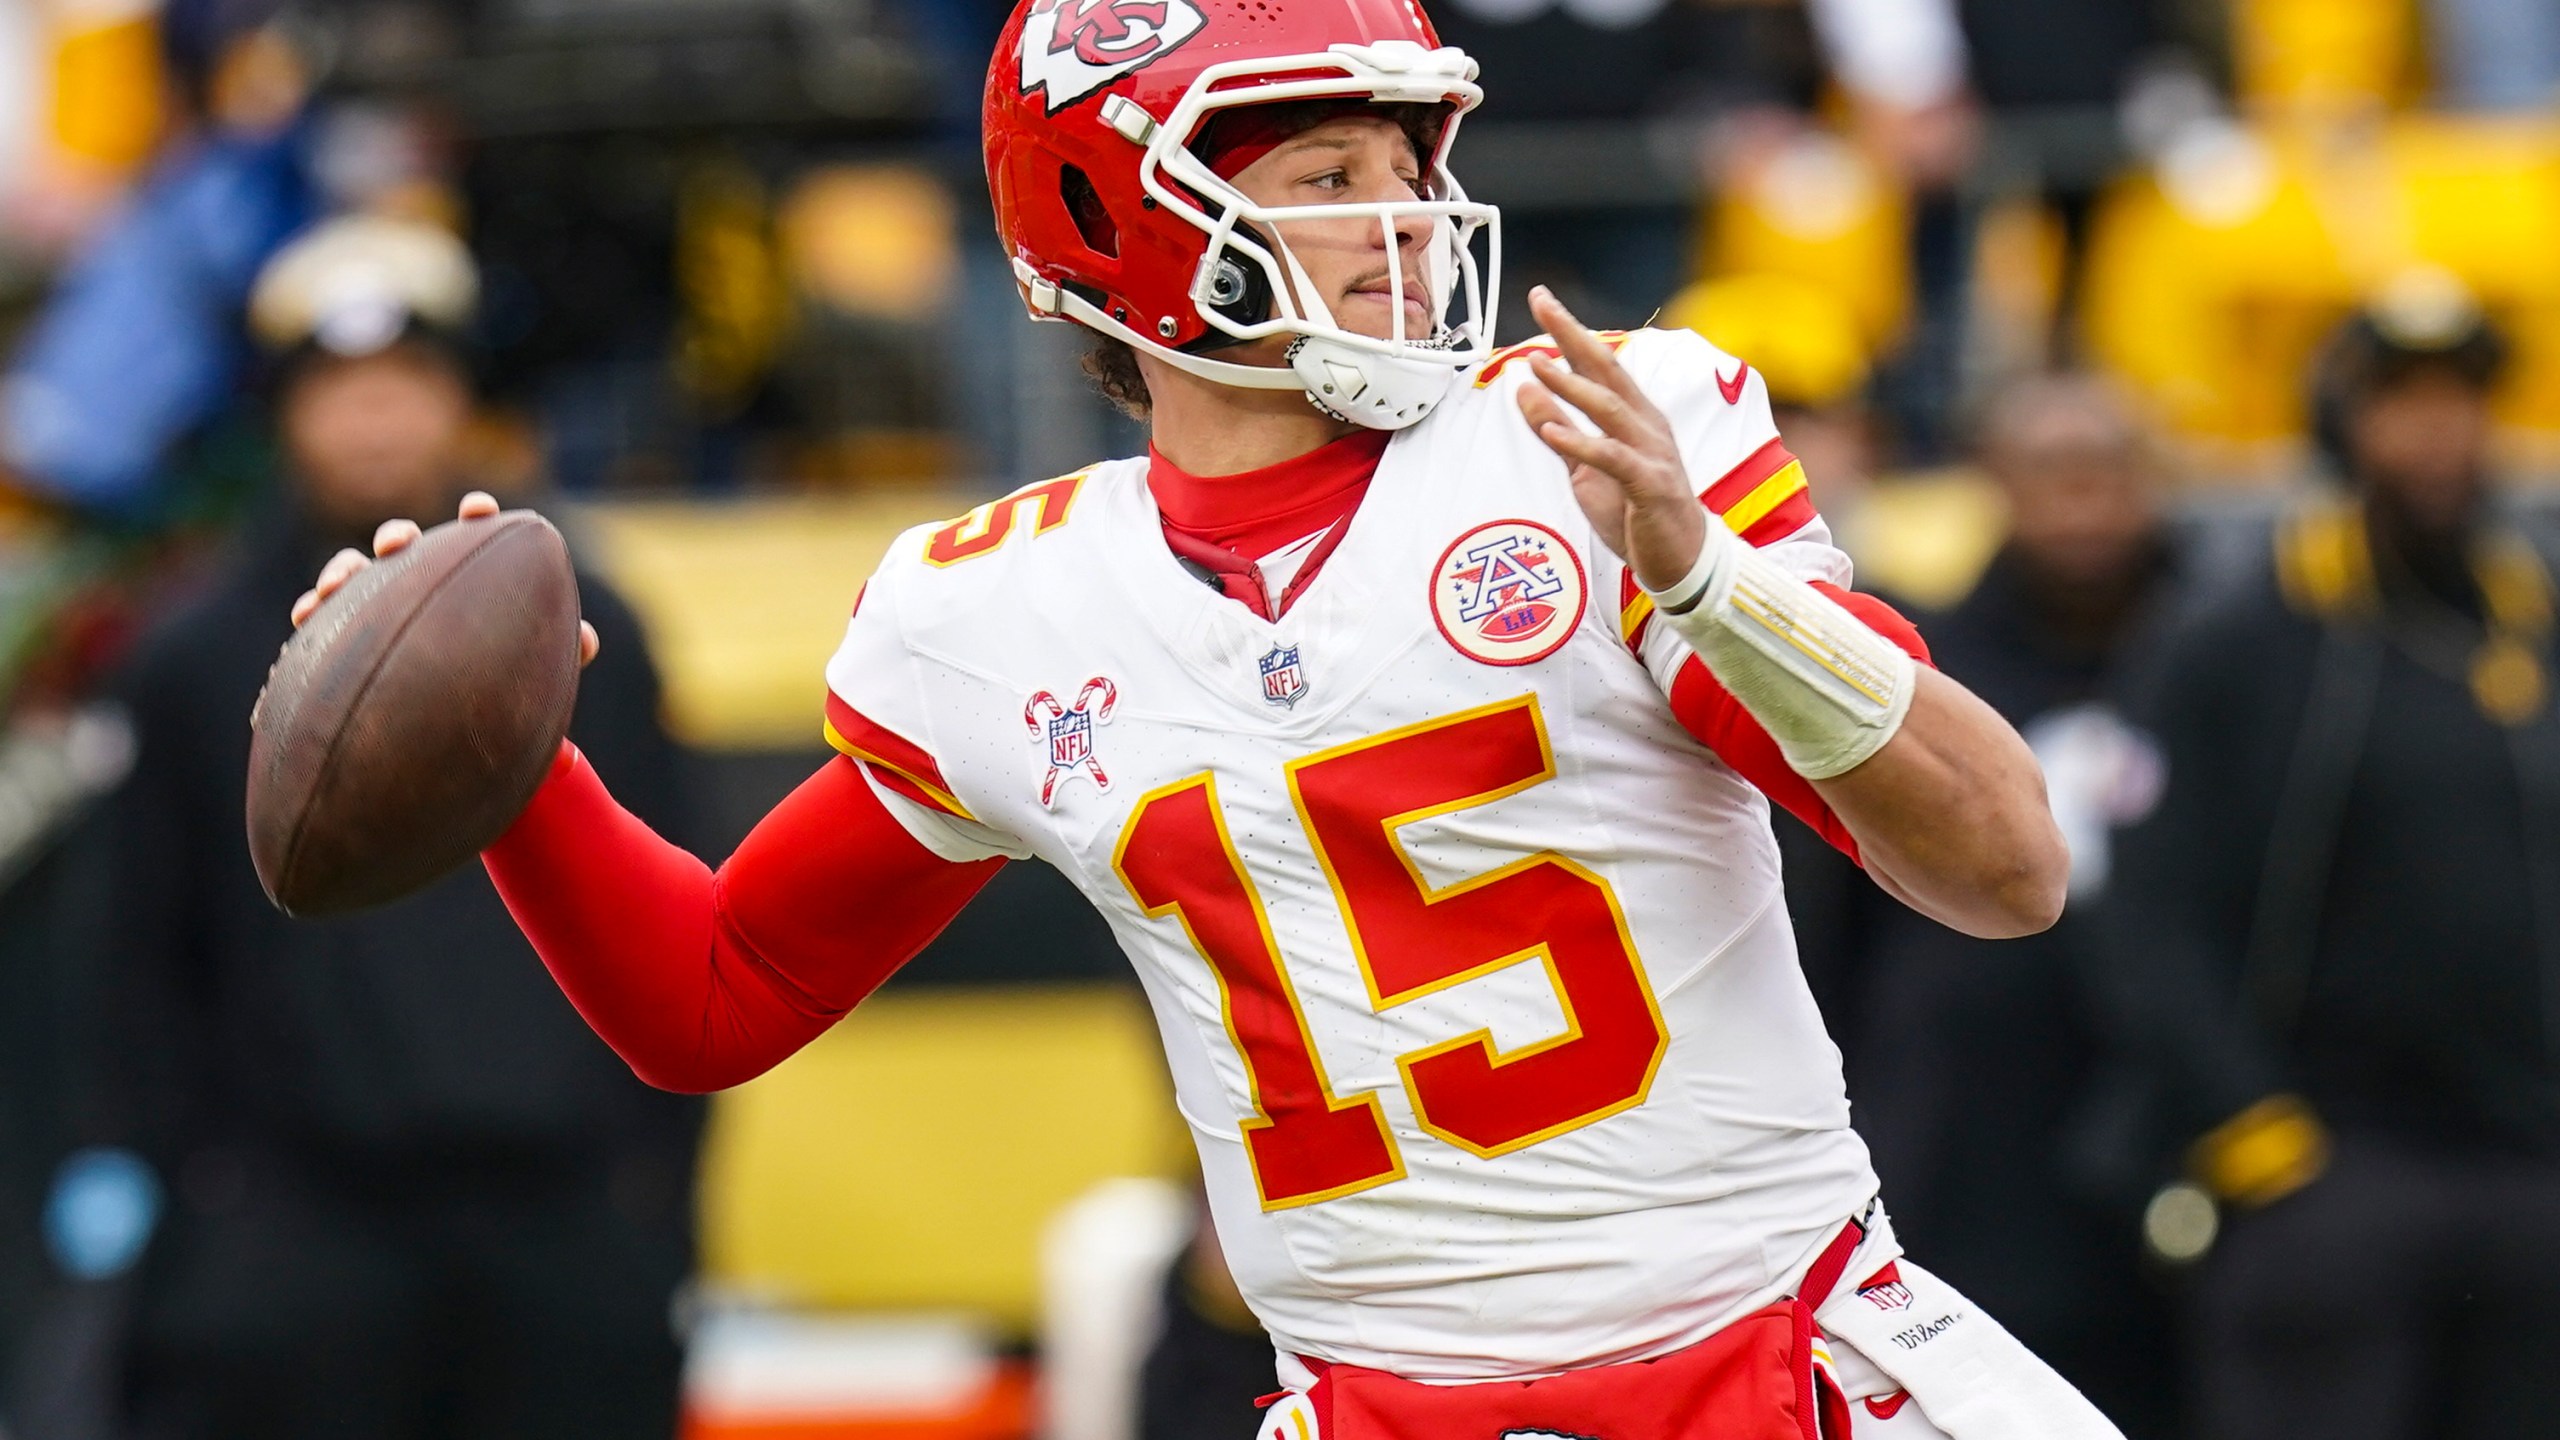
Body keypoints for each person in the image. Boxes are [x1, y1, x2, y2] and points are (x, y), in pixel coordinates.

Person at [302, 4, 2104, 1434]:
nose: (1404, 224)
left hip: (1774, 1358)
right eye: (1329, 171)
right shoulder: (1002, 611)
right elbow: (710, 997)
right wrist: (504, 765)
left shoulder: (1605, 443)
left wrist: (1713, 581)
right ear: (1114, 225)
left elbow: (2006, 868)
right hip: (1372, 1404)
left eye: (1411, 162)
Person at [58, 217, 700, 1440]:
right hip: (299, 1227)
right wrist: (191, 1201)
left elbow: (677, 903)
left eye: (406, 380)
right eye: (337, 387)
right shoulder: (188, 654)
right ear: (282, 411)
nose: (374, 418)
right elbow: (135, 948)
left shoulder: (591, 633)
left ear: (459, 397)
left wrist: (654, 1202)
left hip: (553, 1218)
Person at [2100, 271, 2560, 1440]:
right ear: (2339, 421)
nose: (2435, 433)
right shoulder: (2237, 642)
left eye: (2459, 400)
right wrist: (2255, 1133)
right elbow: (2147, 914)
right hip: (2327, 1176)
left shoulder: (2532, 621)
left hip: (2527, 1173)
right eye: (2399, 402)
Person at [1783, 374, 2184, 1437]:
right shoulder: (1934, 661)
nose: (2085, 507)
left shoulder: (2229, 649)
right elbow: (1830, 917)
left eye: (2108, 475)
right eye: (2054, 477)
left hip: (2189, 1124)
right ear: (1996, 486)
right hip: (1967, 1138)